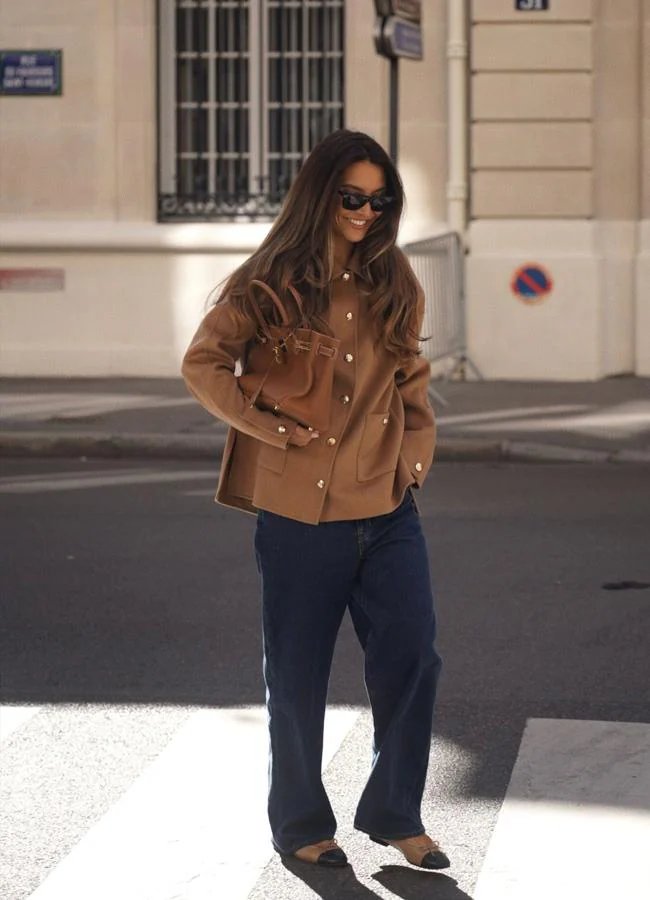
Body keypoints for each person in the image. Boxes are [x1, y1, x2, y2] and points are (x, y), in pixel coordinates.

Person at [181, 129, 449, 871]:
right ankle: (301, 823)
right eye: (351, 197)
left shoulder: (395, 278)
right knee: (296, 675)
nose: (366, 211)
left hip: (387, 508)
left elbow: (412, 382)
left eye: (379, 198)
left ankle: (396, 813)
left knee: (414, 658)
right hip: (299, 517)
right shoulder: (270, 281)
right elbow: (202, 363)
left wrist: (414, 464)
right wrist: (262, 423)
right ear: (320, 195)